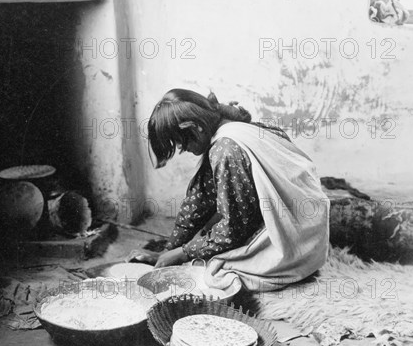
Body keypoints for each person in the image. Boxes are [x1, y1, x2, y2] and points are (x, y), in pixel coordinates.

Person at [127, 88, 330, 292]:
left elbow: (233, 228)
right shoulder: (228, 129)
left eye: (180, 143)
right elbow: (200, 199)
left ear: (194, 127)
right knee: (210, 233)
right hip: (309, 224)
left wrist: (183, 253)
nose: (181, 150)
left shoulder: (226, 150)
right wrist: (168, 249)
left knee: (215, 274)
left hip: (298, 237)